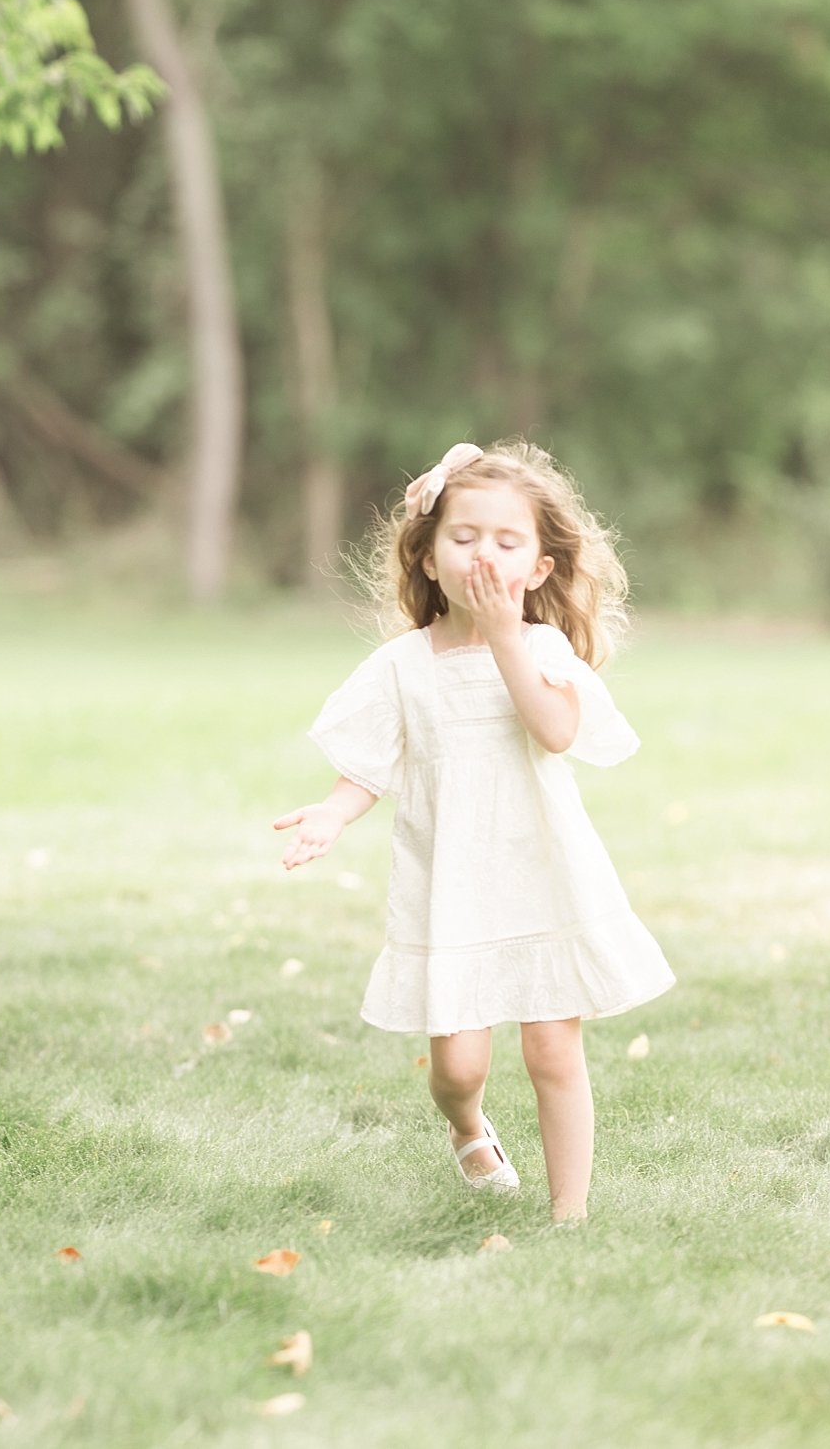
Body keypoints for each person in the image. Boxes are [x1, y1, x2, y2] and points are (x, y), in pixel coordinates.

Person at [273, 441, 673, 1225]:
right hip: (451, 882)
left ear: (539, 568)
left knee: (553, 1049)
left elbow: (557, 731)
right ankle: (467, 1124)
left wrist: (504, 637)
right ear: (427, 560)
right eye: (463, 538)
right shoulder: (402, 665)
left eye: (505, 541)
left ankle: (571, 1216)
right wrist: (330, 811)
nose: (482, 554)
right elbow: (369, 764)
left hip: (541, 870)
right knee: (458, 1065)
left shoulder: (544, 650)